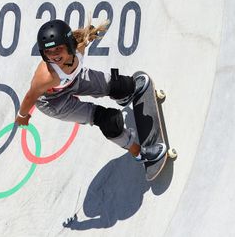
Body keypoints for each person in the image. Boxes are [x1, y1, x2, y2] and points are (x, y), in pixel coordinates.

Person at [15, 19, 166, 163]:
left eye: (58, 49)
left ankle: (124, 95)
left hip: (75, 79)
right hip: (54, 103)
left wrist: (91, 33)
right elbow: (30, 96)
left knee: (121, 85)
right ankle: (139, 153)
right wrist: (22, 115)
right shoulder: (46, 76)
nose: (54, 56)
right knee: (108, 119)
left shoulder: (80, 46)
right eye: (49, 52)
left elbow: (85, 35)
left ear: (69, 45)